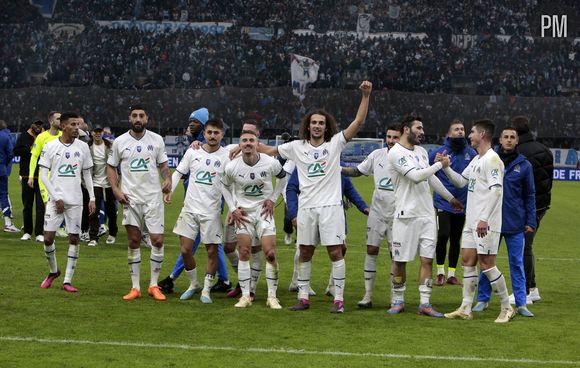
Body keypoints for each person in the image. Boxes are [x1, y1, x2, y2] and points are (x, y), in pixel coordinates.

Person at [245, 80, 373, 313]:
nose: (317, 126)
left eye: (321, 123)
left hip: (331, 208)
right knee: (304, 251)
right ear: (308, 125)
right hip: (306, 208)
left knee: (335, 251)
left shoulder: (335, 144)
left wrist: (365, 96)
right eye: (313, 122)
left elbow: (359, 122)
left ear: (326, 127)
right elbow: (266, 149)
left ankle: (339, 300)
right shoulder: (296, 146)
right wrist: (239, 147)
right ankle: (303, 298)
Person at [385, 116, 462, 317]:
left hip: (427, 214)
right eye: (418, 127)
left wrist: (450, 197)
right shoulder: (396, 153)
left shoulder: (420, 152)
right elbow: (417, 176)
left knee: (427, 260)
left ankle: (425, 303)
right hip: (406, 215)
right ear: (406, 129)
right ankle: (398, 300)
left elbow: (429, 178)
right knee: (400, 261)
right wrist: (441, 164)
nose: (422, 131)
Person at [441, 119, 515, 323]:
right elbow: (461, 181)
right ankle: (466, 308)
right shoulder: (476, 159)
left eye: (472, 132)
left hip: (486, 223)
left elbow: (497, 191)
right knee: (467, 261)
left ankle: (507, 307)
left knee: (487, 264)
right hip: (471, 221)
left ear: (482, 134)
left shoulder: (492, 160)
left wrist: (484, 218)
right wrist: (446, 168)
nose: (469, 136)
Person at [157, 108, 231, 294]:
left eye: (195, 121)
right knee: (204, 245)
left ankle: (176, 277)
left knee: (205, 245)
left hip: (211, 204)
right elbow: (182, 171)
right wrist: (171, 190)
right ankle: (224, 279)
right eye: (190, 120)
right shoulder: (194, 147)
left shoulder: (224, 152)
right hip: (192, 201)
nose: (191, 123)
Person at [107, 104, 172, 301]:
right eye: (134, 115)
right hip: (131, 198)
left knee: (158, 240)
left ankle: (153, 284)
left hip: (153, 198)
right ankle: (135, 287)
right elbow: (111, 167)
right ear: (129, 119)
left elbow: (163, 165)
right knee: (134, 240)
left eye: (141, 116)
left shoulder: (156, 140)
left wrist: (167, 179)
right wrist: (116, 190)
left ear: (146, 119)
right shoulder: (119, 142)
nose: (138, 119)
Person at [472, 126, 536, 317]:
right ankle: (483, 299)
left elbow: (529, 195)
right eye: (505, 137)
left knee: (516, 262)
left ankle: (521, 303)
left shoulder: (524, 165)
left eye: (512, 137)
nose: (509, 140)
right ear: (500, 140)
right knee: (486, 262)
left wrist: (530, 220)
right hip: (491, 221)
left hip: (515, 222)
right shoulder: (490, 160)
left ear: (517, 141)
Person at [221, 129, 287, 309]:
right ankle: (245, 297)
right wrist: (233, 208)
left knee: (270, 253)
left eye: (251, 140)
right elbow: (224, 186)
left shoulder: (269, 163)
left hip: (263, 213)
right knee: (243, 252)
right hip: (244, 215)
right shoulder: (232, 166)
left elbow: (283, 178)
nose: (248, 143)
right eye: (244, 141)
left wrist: (273, 199)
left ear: (257, 143)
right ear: (240, 145)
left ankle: (272, 297)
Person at [287, 164, 369, 297]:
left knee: (341, 248)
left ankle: (332, 287)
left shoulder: (337, 165)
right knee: (305, 249)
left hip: (333, 214)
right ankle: (298, 283)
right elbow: (291, 188)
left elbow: (349, 189)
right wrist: (293, 213)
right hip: (309, 213)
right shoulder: (305, 162)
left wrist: (364, 207)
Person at [341, 125, 400, 308]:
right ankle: (367, 296)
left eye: (395, 137)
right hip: (377, 212)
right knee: (371, 250)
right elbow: (358, 171)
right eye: (389, 136)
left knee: (395, 256)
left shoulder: (408, 157)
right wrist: (337, 168)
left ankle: (395, 298)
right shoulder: (377, 155)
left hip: (398, 214)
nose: (390, 140)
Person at [38, 112, 96, 292]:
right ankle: (53, 271)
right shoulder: (50, 146)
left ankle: (67, 281)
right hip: (56, 200)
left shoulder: (83, 147)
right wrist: (56, 197)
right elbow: (42, 175)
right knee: (48, 239)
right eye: (73, 125)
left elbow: (86, 174)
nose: (76, 128)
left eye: (78, 125)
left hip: (76, 200)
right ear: (63, 126)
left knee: (74, 238)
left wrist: (92, 197)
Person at [429, 120, 476, 286]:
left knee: (456, 239)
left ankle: (451, 274)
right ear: (449, 133)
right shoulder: (439, 152)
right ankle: (440, 272)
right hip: (443, 202)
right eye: (456, 129)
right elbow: (425, 172)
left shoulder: (471, 153)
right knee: (443, 235)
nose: (460, 132)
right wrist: (435, 164)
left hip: (463, 204)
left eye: (462, 129)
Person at [511, 116, 553, 304]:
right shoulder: (545, 150)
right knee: (526, 246)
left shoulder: (518, 152)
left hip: (526, 207)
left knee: (523, 247)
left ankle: (526, 290)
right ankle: (532, 288)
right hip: (542, 206)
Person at [13, 119, 45, 240]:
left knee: (40, 206)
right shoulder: (24, 136)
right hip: (27, 175)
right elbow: (16, 151)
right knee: (27, 205)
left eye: (40, 124)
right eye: (36, 124)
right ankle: (27, 231)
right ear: (32, 124)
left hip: (42, 175)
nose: (38, 126)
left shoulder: (45, 136)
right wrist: (30, 149)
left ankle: (39, 233)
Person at [87, 124, 117, 246]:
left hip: (109, 182)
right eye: (96, 131)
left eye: (100, 131)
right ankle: (93, 237)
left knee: (111, 211)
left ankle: (112, 233)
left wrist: (116, 179)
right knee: (93, 211)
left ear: (102, 133)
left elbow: (115, 163)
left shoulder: (110, 145)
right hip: (95, 182)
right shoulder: (88, 147)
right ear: (92, 133)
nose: (98, 134)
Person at [0, 119, 18, 232]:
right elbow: (10, 153)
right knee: (3, 194)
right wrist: (4, 164)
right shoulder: (6, 136)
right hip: (1, 169)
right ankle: (8, 223)